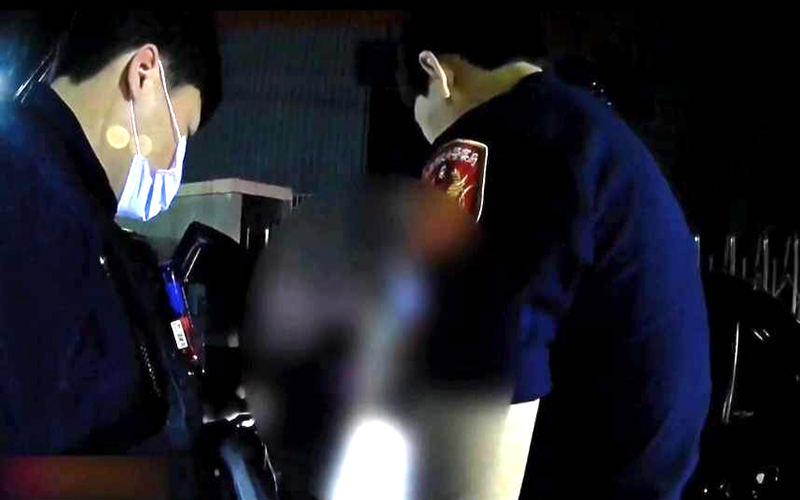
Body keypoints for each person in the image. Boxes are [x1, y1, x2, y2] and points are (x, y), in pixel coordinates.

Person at [395, 12, 711, 499]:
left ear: (436, 72)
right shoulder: (587, 131)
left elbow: (488, 375)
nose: (436, 144)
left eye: (429, 124)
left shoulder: (500, 137)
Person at [0, 11, 221, 454]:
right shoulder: (34, 207)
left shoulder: (71, 205)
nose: (176, 163)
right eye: (183, 132)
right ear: (144, 74)